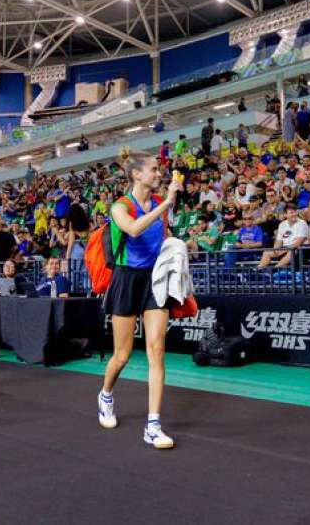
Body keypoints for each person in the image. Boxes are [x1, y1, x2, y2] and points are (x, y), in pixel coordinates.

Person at [98, 148, 183, 450]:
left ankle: (153, 425)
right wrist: (168, 204)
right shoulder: (120, 206)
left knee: (156, 350)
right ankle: (106, 395)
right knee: (122, 355)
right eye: (154, 170)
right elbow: (133, 230)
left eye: (159, 170)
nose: (159, 174)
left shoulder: (159, 203)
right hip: (126, 279)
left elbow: (165, 237)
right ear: (136, 174)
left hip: (155, 280)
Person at [258, 204, 308, 269]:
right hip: (285, 248)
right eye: (291, 213)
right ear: (285, 215)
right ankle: (259, 270)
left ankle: (275, 269)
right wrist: (276, 249)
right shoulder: (282, 224)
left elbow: (298, 243)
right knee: (267, 253)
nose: (294, 214)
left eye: (295, 212)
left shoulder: (302, 223)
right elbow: (279, 241)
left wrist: (284, 249)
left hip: (299, 249)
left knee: (292, 252)